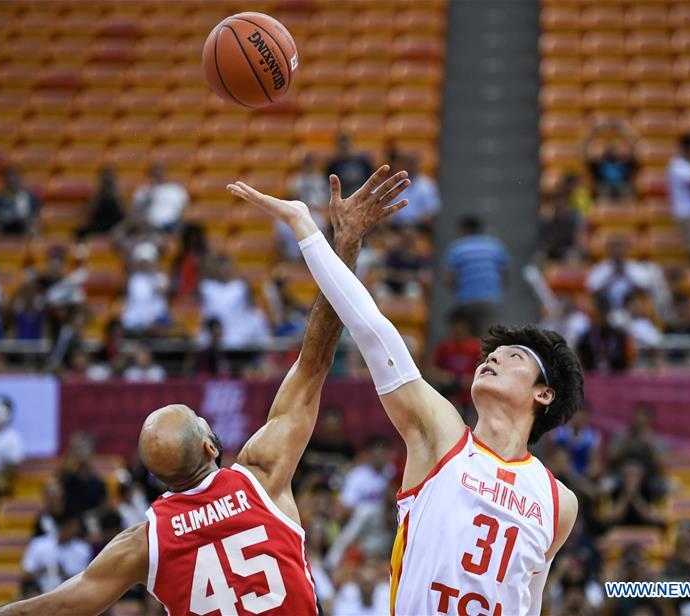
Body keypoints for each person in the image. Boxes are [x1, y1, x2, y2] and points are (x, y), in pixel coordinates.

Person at [0, 166, 407, 616]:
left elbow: (62, 605)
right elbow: (315, 356)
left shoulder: (146, 539)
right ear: (209, 445)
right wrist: (346, 241)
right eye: (203, 423)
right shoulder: (262, 475)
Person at [228, 172, 583, 616]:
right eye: (491, 354)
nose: (492, 359)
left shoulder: (558, 502)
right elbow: (372, 329)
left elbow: (528, 603)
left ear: (544, 394)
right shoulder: (442, 437)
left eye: (514, 357)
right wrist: (308, 228)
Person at [443, 215, 511, 336]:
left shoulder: (457, 248)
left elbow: (449, 278)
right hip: (491, 299)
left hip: (466, 300)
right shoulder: (495, 245)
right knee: (490, 338)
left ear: (464, 230)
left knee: (468, 340)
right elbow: (505, 273)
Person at [427, 308, 483, 415]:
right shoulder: (444, 347)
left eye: (461, 327)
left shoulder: (476, 347)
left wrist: (467, 380)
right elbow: (430, 370)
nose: (457, 330)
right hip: (447, 394)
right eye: (454, 326)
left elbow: (484, 372)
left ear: (468, 327)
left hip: (470, 398)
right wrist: (446, 377)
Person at [21, 515, 92, 594]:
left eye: (72, 527)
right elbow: (26, 575)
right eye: (67, 526)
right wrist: (42, 569)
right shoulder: (39, 544)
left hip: (70, 593)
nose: (70, 530)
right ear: (59, 527)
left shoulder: (83, 549)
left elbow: (84, 580)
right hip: (40, 592)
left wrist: (63, 573)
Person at [581, 118, 638, 200]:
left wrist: (623, 129)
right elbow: (584, 150)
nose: (612, 152)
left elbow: (636, 146)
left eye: (615, 149)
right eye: (610, 149)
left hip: (623, 190)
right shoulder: (598, 163)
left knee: (627, 189)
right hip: (603, 190)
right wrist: (594, 130)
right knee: (600, 189)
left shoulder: (626, 162)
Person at [120, 242, 169, 336]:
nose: (145, 264)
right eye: (143, 262)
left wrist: (153, 275)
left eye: (147, 261)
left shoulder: (160, 277)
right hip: (136, 321)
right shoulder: (134, 279)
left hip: (156, 321)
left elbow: (163, 290)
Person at [131, 163, 188, 234]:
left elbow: (184, 208)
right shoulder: (143, 191)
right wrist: (150, 192)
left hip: (171, 225)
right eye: (155, 174)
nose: (158, 177)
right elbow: (137, 209)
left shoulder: (176, 189)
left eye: (160, 174)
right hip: (149, 226)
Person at [388, 153, 441, 229]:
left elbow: (432, 209)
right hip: (395, 227)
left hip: (419, 227)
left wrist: (422, 222)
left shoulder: (427, 184)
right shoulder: (393, 183)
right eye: (408, 164)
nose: (410, 167)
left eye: (412, 164)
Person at [0, 167, 41, 235]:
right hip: (3, 223)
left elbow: (36, 212)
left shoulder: (30, 197)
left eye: (14, 180)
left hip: (23, 223)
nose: (12, 182)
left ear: (19, 180)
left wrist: (30, 217)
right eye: (9, 180)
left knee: (33, 225)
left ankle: (34, 245)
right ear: (4, 181)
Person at [77, 167, 124, 238]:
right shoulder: (97, 195)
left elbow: (123, 213)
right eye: (104, 180)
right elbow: (88, 214)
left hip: (114, 227)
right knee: (79, 232)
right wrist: (98, 193)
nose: (106, 182)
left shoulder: (116, 196)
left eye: (109, 180)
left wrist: (115, 194)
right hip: (98, 226)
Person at [326, 132, 373, 198]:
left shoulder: (363, 162)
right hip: (342, 198)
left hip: (361, 196)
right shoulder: (334, 164)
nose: (345, 149)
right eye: (342, 147)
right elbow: (329, 185)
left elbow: (370, 182)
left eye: (347, 145)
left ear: (352, 144)